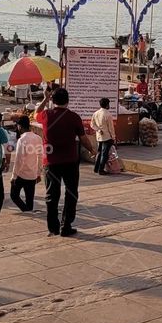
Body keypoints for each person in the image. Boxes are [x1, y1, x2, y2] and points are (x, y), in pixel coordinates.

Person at [42, 86, 92, 236]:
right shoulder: (74, 117)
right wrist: (92, 150)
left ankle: (53, 227)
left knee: (52, 195)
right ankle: (66, 225)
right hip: (70, 160)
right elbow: (83, 139)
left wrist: (45, 98)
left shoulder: (45, 115)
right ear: (68, 101)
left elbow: (36, 112)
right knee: (71, 193)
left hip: (50, 161)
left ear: (53, 100)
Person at [9, 116, 41, 212]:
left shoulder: (22, 140)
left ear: (19, 126)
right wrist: (38, 173)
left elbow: (19, 159)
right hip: (32, 174)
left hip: (21, 174)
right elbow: (40, 156)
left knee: (14, 195)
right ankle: (28, 210)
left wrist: (14, 176)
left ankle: (26, 210)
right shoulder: (38, 138)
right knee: (29, 199)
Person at [90, 97, 116, 174]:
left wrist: (98, 130)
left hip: (99, 136)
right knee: (104, 154)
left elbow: (92, 124)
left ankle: (96, 168)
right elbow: (111, 128)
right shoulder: (108, 114)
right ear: (107, 105)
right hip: (107, 137)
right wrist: (113, 137)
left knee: (99, 152)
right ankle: (101, 170)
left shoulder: (96, 113)